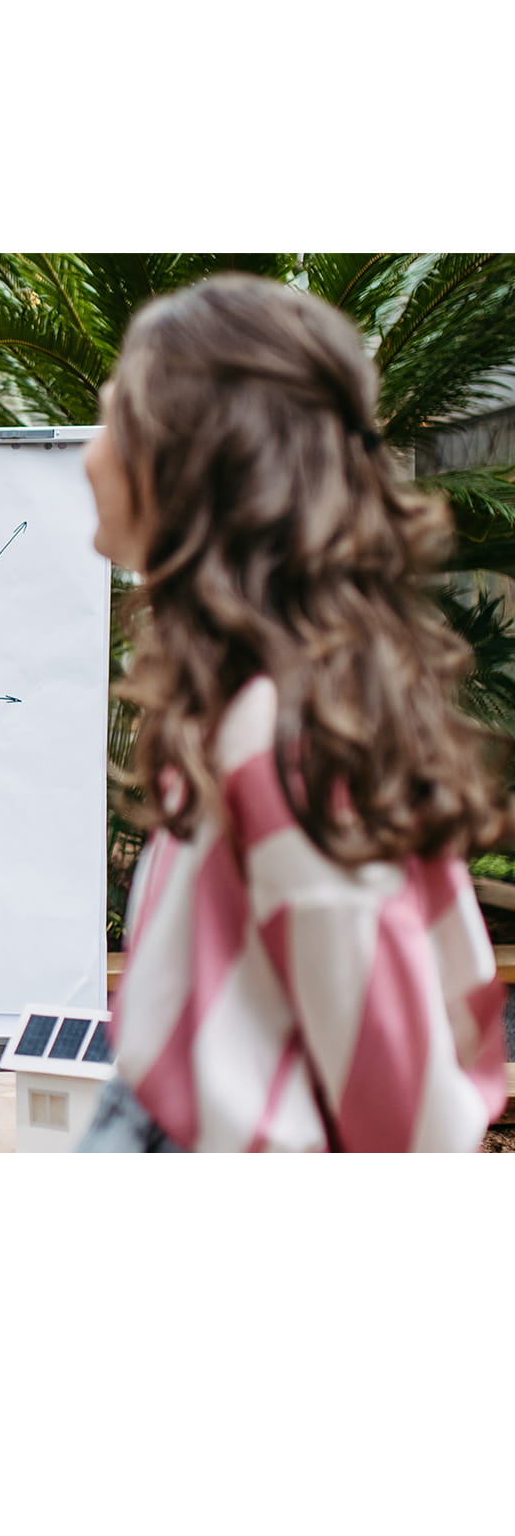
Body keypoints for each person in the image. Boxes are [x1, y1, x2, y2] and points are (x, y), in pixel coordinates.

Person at [79, 272, 510, 1152]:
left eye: (113, 412)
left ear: (191, 454)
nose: (89, 451)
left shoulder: (277, 741)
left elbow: (401, 1120)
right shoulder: (252, 712)